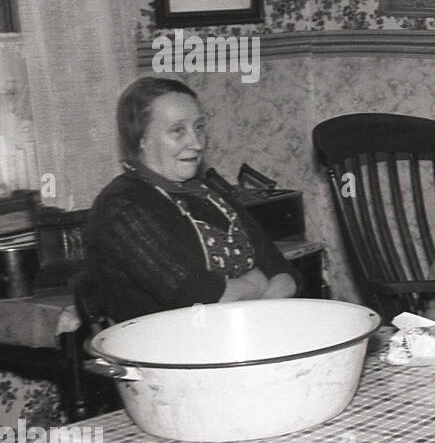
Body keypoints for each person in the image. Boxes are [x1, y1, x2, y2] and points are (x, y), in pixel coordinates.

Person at [83, 77, 298, 323]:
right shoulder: (121, 207)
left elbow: (285, 273)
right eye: (178, 130)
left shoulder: (209, 194)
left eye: (199, 127)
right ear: (141, 139)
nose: (196, 143)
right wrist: (257, 282)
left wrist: (253, 313)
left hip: (236, 336)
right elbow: (198, 297)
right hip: (159, 352)